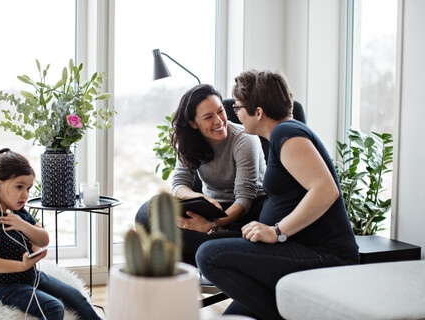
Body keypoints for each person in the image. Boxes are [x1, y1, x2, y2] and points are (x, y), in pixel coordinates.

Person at [196, 70, 359, 319]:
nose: (234, 114)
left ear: (258, 112)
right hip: (295, 251)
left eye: (238, 107)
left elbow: (325, 190)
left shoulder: (287, 134)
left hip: (325, 257)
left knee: (209, 255)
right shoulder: (280, 137)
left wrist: (276, 232)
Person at [135, 84, 267, 265]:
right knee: (148, 215)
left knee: (165, 234)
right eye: (208, 117)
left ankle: (220, 249)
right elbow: (179, 183)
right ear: (192, 123)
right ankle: (195, 269)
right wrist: (196, 197)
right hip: (210, 208)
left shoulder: (244, 140)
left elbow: (244, 199)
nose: (219, 121)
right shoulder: (188, 140)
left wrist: (212, 226)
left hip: (245, 214)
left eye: (221, 111)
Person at [0, 148, 102, 320]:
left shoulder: (20, 214)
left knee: (76, 297)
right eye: (19, 187)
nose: (25, 195)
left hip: (30, 275)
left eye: (28, 188)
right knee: (53, 307)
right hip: (3, 286)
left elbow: (44, 239)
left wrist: (23, 225)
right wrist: (22, 265)